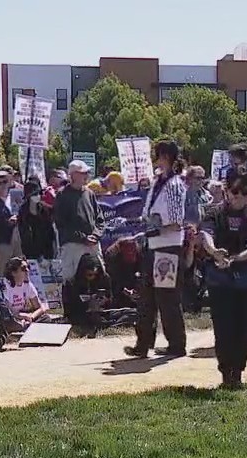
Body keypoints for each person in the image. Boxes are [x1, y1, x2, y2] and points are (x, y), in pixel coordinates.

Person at [198, 168, 247, 389]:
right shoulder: (214, 212)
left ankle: (237, 372)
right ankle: (226, 373)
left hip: (246, 280)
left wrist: (235, 259)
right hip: (219, 280)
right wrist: (213, 251)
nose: (238, 195)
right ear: (226, 190)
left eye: (244, 190)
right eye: (233, 190)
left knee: (244, 328)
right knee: (223, 328)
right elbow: (206, 234)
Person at [123, 139, 189, 358]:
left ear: (166, 157)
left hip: (168, 246)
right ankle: (143, 343)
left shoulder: (175, 184)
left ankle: (177, 344)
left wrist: (156, 225)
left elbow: (177, 219)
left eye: (158, 154)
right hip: (153, 245)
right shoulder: (157, 182)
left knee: (167, 297)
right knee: (146, 296)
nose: (155, 158)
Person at [54, 160, 105, 283]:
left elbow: (100, 218)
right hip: (72, 245)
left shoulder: (90, 193)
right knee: (70, 279)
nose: (86, 176)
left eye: (87, 172)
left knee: (99, 275)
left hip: (93, 245)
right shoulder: (62, 195)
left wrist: (96, 235)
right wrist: (82, 238)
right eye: (83, 173)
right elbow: (61, 223)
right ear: (73, 175)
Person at [63, 252, 114, 332]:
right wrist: (87, 305)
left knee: (128, 313)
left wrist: (104, 301)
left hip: (102, 312)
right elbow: (69, 308)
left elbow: (110, 298)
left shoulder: (104, 279)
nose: (93, 277)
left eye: (95, 274)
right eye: (89, 275)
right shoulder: (72, 283)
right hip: (81, 314)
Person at [1, 257, 49, 327]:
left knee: (46, 318)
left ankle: (27, 326)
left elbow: (39, 308)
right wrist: (24, 317)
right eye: (23, 269)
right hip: (10, 316)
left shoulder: (27, 284)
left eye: (28, 267)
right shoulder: (5, 286)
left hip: (24, 316)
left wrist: (31, 317)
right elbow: (8, 311)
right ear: (13, 273)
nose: (27, 271)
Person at [18, 179, 56, 260]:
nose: (38, 196)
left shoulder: (45, 209)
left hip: (46, 249)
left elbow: (50, 230)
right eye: (34, 194)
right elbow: (22, 232)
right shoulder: (23, 211)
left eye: (39, 193)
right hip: (30, 250)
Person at [104, 236, 144, 309]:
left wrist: (138, 287)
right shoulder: (112, 256)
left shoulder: (139, 253)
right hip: (118, 276)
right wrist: (123, 289)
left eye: (133, 251)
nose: (131, 253)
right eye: (128, 252)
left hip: (133, 273)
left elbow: (142, 270)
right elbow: (115, 277)